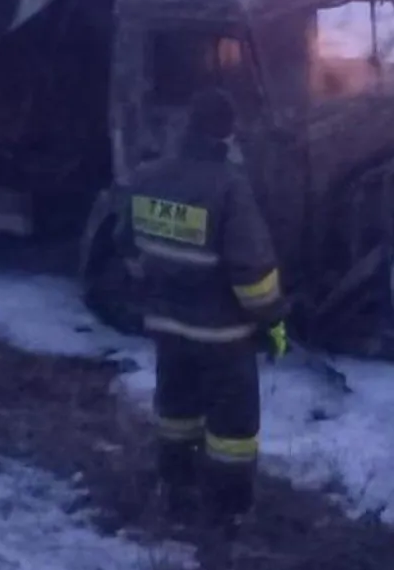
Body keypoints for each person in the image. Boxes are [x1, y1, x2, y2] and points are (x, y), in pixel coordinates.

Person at [117, 87, 289, 535]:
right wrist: (273, 321)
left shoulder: (147, 176)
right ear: (226, 135)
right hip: (222, 337)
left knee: (176, 412)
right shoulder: (229, 186)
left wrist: (156, 286)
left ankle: (175, 489)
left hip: (167, 328)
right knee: (232, 432)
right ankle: (227, 513)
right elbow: (252, 272)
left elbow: (127, 245)